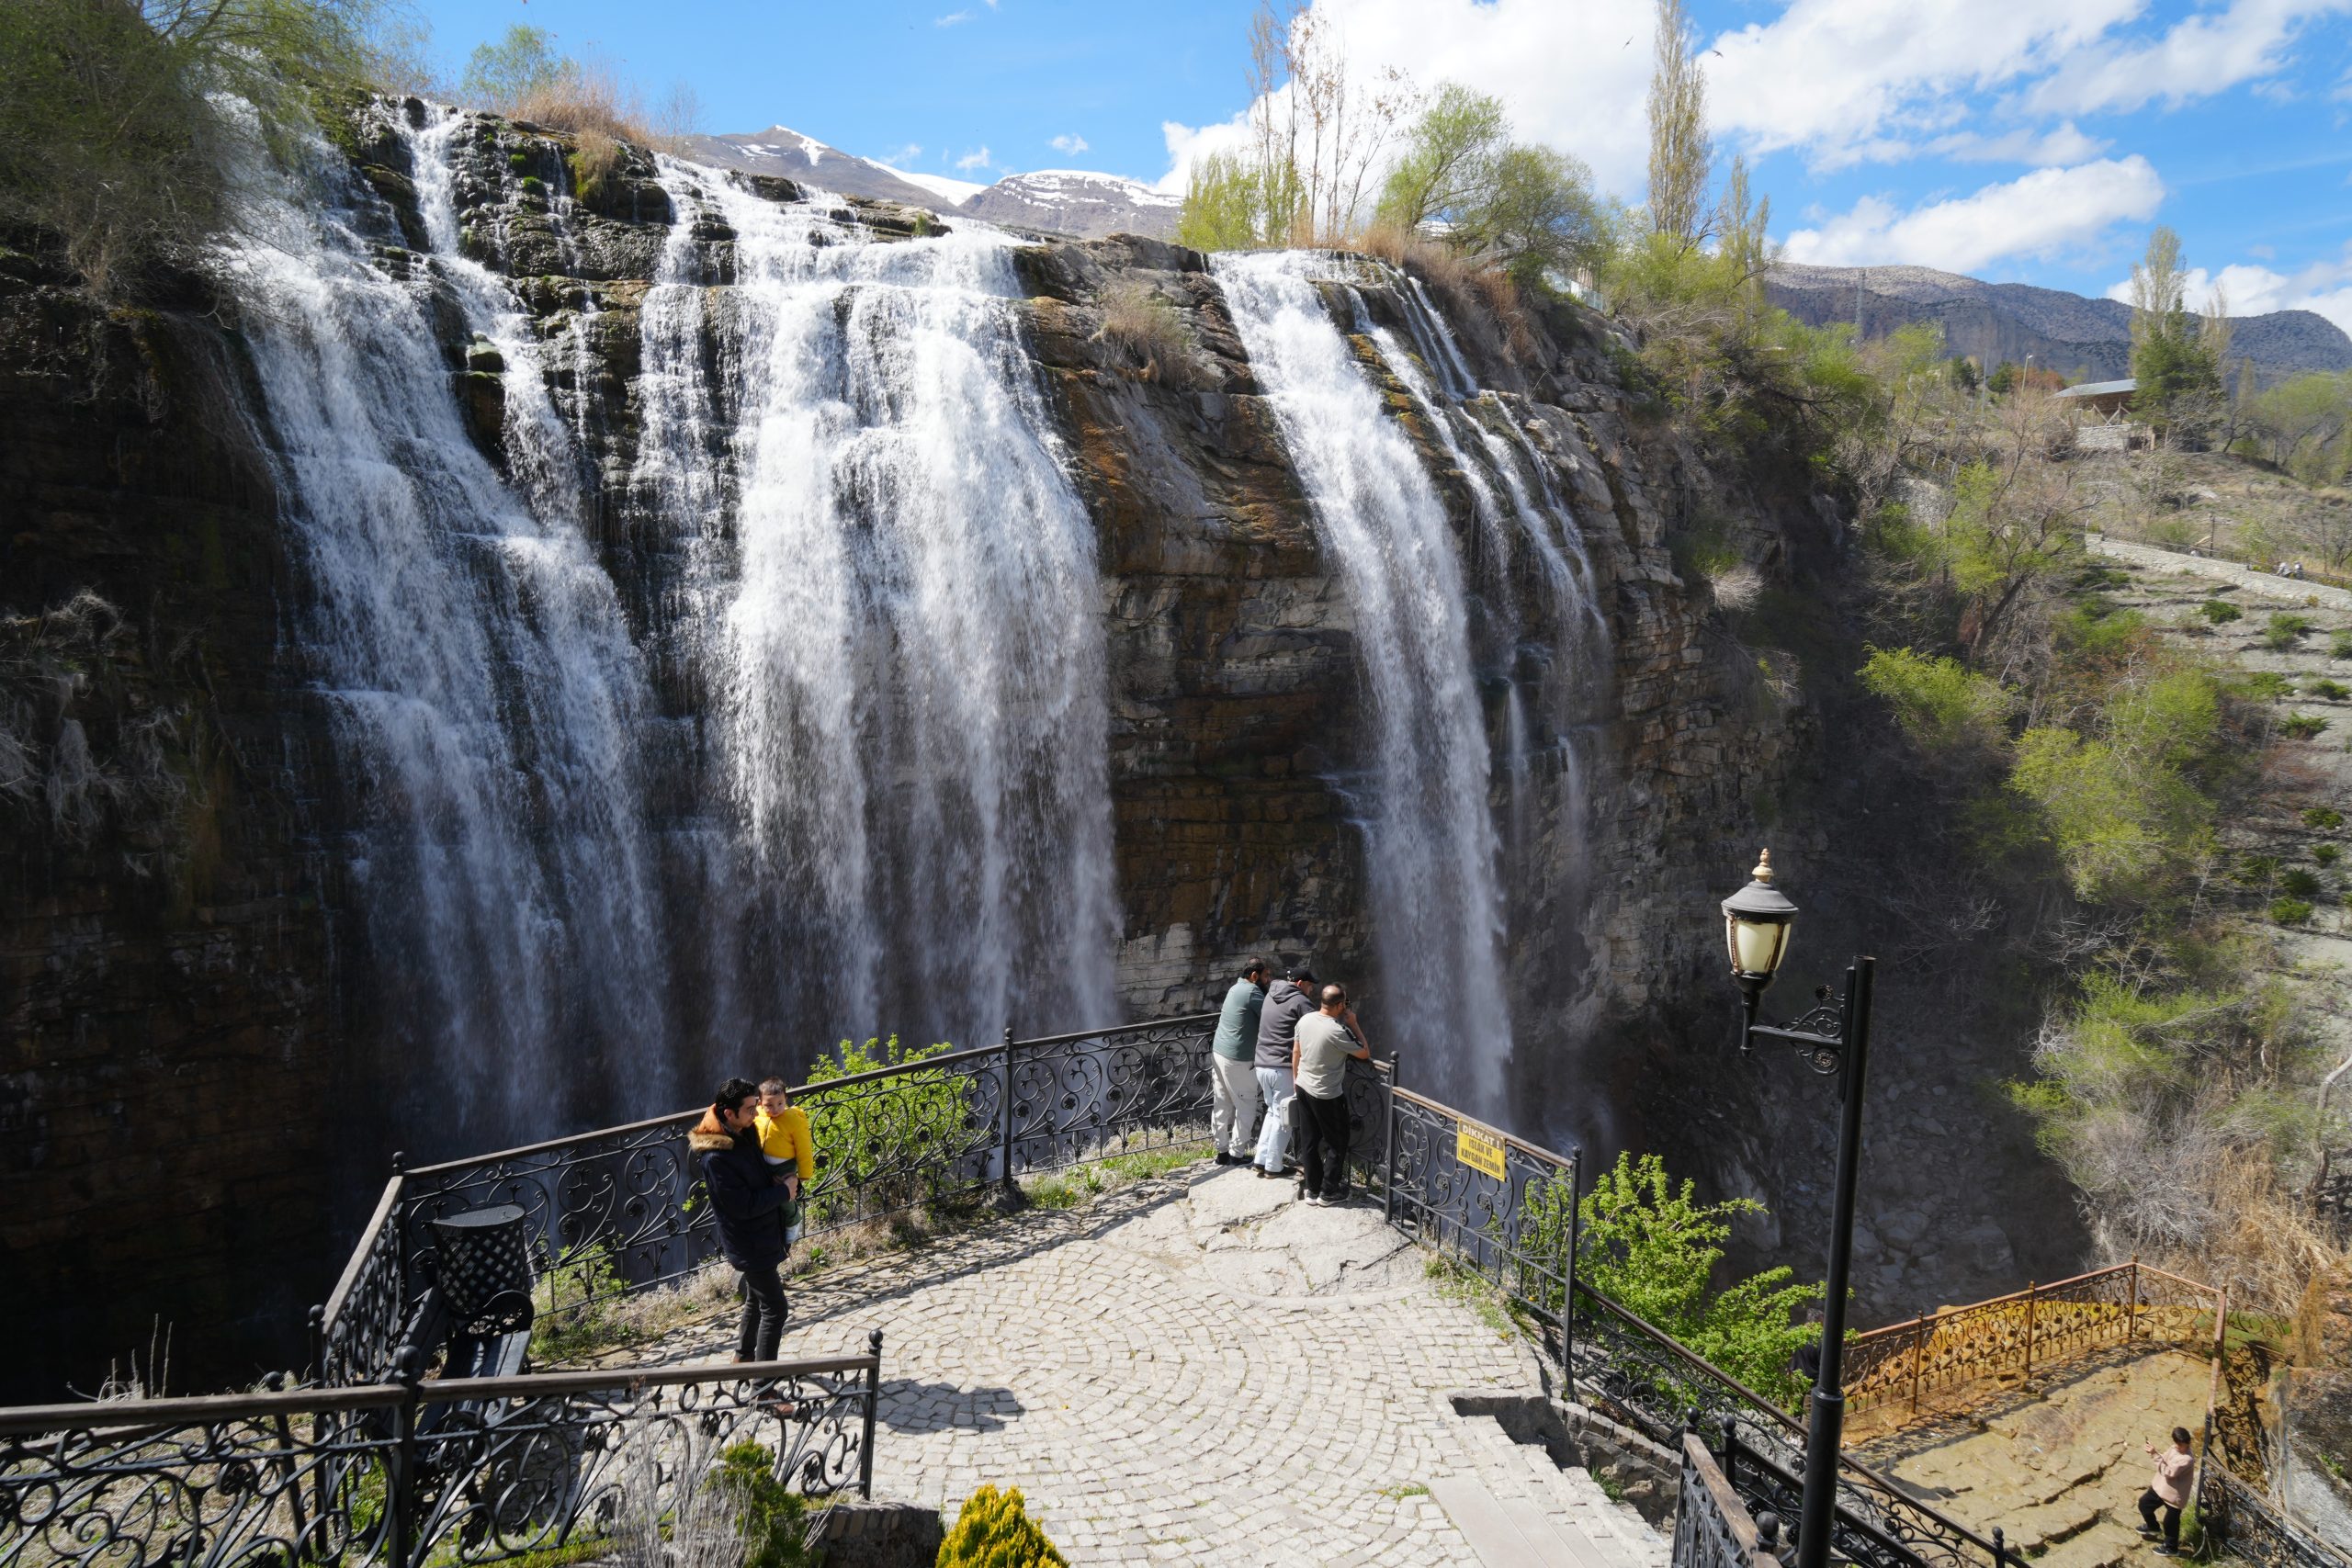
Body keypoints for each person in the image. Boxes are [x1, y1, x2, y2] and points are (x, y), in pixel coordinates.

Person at [688, 1077, 797, 1363]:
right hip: (750, 1242)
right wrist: (782, 1192)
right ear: (729, 1114)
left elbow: (754, 1175)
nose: (758, 1112)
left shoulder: (742, 1131)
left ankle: (743, 1357)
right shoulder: (715, 1158)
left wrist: (774, 1180)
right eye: (751, 1108)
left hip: (762, 1232)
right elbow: (743, 1206)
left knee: (755, 1298)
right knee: (776, 1308)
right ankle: (763, 1389)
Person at [1292, 983, 1370, 1205]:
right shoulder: (1338, 1030)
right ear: (1339, 1005)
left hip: (1304, 1087)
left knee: (1309, 1141)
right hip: (1327, 1094)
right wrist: (1354, 1024)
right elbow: (1364, 1052)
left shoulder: (1305, 1020)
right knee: (1337, 1141)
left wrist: (1295, 1081)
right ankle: (1328, 1192)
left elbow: (1296, 1052)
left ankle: (1312, 1189)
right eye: (1344, 1004)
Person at [1251, 964, 1318, 1179]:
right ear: (1300, 984)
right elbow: (1316, 1029)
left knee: (1272, 1111)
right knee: (1285, 1117)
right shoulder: (1301, 1001)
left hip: (1262, 1064)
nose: (1311, 991)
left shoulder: (1270, 993)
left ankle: (1260, 1160)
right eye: (1310, 986)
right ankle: (1273, 1166)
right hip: (1282, 1067)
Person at [1209, 958, 1270, 1166]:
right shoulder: (1253, 992)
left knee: (1221, 1104)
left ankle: (1221, 1152)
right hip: (1238, 1059)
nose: (1268, 981)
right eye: (1266, 976)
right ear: (1254, 975)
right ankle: (1236, 1154)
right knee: (1246, 1105)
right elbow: (1270, 1017)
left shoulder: (1235, 988)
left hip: (1219, 1054)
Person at [755, 1077, 815, 1247]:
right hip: (763, 1164)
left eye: (780, 1103)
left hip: (785, 1165)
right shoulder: (757, 1115)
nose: (775, 1109)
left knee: (785, 1195)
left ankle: (793, 1220)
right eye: (769, 1105)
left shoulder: (793, 1119)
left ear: (786, 1099)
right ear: (760, 1103)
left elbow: (804, 1147)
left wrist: (804, 1174)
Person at [2138, 1427, 2195, 1555]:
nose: (2180, 1447)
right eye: (2178, 1444)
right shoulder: (2174, 1448)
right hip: (2161, 1487)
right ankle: (2153, 1527)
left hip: (2175, 1496)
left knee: (2170, 1524)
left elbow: (2169, 1472)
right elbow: (2164, 1458)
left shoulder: (2187, 1459)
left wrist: (2154, 1455)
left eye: (2183, 1445)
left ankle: (2171, 1548)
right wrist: (2155, 1452)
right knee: (2144, 1504)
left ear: (2187, 1442)